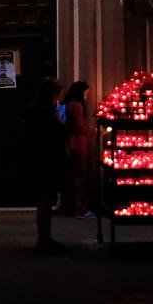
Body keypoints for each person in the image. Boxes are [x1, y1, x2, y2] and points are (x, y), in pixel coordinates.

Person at [22, 77, 67, 254]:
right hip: (47, 159)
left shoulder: (39, 110)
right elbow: (54, 133)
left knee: (46, 199)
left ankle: (45, 237)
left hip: (43, 158)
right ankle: (44, 239)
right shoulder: (46, 113)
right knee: (46, 199)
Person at [61, 80, 95, 217]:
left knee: (73, 176)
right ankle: (80, 208)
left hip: (71, 142)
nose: (87, 96)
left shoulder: (68, 104)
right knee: (80, 176)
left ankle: (72, 207)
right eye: (86, 93)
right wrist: (95, 131)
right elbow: (79, 127)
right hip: (77, 143)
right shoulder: (77, 106)